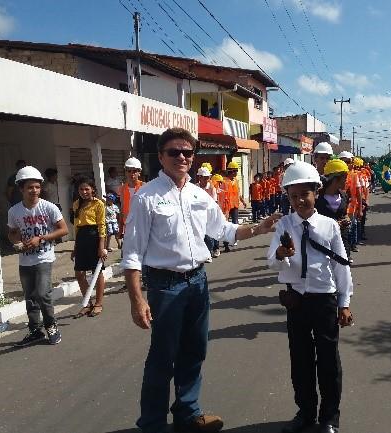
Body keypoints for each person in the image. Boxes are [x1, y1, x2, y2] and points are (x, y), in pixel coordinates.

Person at [121, 127, 280, 433]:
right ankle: (152, 424)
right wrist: (136, 299)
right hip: (165, 286)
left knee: (195, 351)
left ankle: (187, 414)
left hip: (198, 282)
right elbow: (131, 254)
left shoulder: (199, 195)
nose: (181, 157)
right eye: (174, 152)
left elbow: (225, 231)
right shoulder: (146, 197)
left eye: (187, 152)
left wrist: (259, 229)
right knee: (162, 357)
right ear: (161, 156)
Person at [267, 160, 353, 433]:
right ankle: (305, 412)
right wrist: (280, 255)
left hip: (324, 300)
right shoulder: (284, 226)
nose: (300, 200)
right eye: (293, 196)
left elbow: (341, 265)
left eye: (305, 194)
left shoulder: (329, 226)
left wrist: (345, 303)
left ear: (316, 193)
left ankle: (329, 417)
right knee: (300, 359)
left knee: (328, 360)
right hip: (297, 301)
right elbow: (271, 261)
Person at [7, 166, 69, 346]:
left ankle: (51, 326)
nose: (34, 190)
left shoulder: (48, 207)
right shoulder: (14, 211)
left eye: (37, 187)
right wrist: (16, 241)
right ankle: (35, 331)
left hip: (44, 257)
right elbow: (12, 232)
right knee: (30, 297)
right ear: (21, 189)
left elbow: (63, 230)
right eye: (29, 187)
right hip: (25, 260)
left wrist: (40, 239)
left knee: (42, 294)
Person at [72, 177, 107, 318]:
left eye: (87, 189)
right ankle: (87, 304)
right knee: (79, 273)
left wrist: (101, 247)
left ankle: (98, 304)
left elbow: (102, 226)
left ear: (93, 189)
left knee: (97, 272)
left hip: (94, 237)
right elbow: (76, 227)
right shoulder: (76, 204)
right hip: (81, 238)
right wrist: (75, 247)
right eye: (81, 189)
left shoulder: (98, 204)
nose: (84, 192)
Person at [315, 159, 352, 259]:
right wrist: (333, 225)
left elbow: (345, 214)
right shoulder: (317, 199)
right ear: (335, 179)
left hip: (342, 244)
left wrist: (347, 219)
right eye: (345, 178)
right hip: (323, 246)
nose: (346, 181)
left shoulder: (344, 196)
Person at [222, 161, 247, 253]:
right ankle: (226, 244)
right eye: (235, 171)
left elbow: (238, 193)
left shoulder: (236, 181)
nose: (236, 173)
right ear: (231, 171)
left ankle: (234, 238)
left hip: (235, 205)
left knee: (235, 224)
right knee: (226, 225)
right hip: (227, 207)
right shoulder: (224, 181)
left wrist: (243, 201)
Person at [196, 166, 218, 262]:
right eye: (204, 177)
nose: (206, 180)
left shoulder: (212, 188)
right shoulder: (194, 187)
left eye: (207, 178)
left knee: (209, 236)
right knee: (200, 236)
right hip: (197, 215)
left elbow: (213, 203)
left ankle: (209, 253)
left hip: (209, 215)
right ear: (199, 178)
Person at [119, 157, 145, 238]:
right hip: (128, 226)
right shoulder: (122, 188)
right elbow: (122, 208)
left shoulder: (145, 186)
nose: (131, 173)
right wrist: (120, 228)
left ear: (139, 172)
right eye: (129, 171)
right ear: (126, 172)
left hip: (142, 226)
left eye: (134, 171)